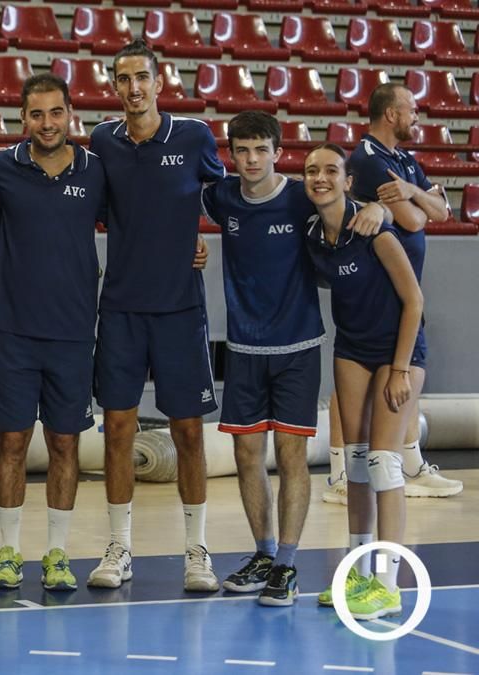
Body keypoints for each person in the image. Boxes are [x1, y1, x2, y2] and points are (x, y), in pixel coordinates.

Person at [202, 111, 386, 606]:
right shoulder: (222, 197)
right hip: (243, 348)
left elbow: (346, 203)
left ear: (277, 153)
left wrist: (381, 211)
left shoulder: (300, 195)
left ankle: (287, 563)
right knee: (246, 456)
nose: (251, 159)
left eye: (261, 149)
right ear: (231, 155)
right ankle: (263, 554)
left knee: (290, 457)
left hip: (298, 348)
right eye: (242, 151)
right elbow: (176, 198)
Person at [87, 39, 225, 592]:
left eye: (141, 77)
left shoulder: (193, 137)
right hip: (120, 307)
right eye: (123, 79)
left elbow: (225, 197)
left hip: (180, 308)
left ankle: (198, 551)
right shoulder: (102, 141)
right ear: (115, 86)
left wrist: (206, 240)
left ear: (159, 81)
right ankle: (119, 548)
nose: (133, 88)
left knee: (188, 431)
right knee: (117, 428)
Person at [0, 74, 107, 591]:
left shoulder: (97, 170)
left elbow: (142, 218)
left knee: (64, 444)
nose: (47, 123)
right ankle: (8, 552)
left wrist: (193, 246)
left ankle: (58, 553)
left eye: (56, 113)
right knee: (11, 442)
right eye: (37, 114)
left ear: (70, 114)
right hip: (10, 329)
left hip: (75, 331)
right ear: (22, 118)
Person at [302, 144, 425, 621]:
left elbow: (414, 302)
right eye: (312, 170)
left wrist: (399, 370)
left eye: (331, 170)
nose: (320, 178)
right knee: (354, 466)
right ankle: (357, 572)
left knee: (383, 463)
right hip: (352, 350)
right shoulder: (312, 234)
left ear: (348, 181)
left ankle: (389, 586)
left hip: (401, 352)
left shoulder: (375, 230)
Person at [322, 82, 461, 501]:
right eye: (412, 109)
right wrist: (413, 202)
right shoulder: (366, 159)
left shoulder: (402, 159)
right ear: (391, 114)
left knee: (403, 378)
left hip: (403, 290)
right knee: (359, 382)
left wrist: (413, 192)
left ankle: (411, 463)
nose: (418, 116)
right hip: (374, 289)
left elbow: (442, 211)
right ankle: (341, 475)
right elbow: (418, 222)